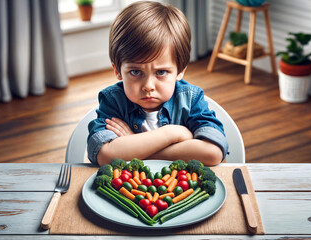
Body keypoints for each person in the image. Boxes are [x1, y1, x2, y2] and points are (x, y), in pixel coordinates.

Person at [87, 1, 228, 166]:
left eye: (161, 72)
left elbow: (213, 153)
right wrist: (172, 133)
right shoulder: (113, 100)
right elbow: (103, 155)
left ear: (180, 70)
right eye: (135, 72)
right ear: (117, 70)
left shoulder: (191, 99)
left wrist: (133, 144)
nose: (148, 85)